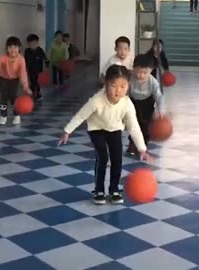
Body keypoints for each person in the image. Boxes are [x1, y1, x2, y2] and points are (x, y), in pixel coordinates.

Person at [58, 65, 151, 205]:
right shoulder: (97, 100)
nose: (118, 90)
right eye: (113, 86)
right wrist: (67, 131)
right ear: (106, 84)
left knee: (117, 159)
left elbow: (133, 126)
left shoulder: (127, 103)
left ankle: (114, 189)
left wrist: (142, 148)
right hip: (96, 129)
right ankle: (99, 190)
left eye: (122, 86)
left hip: (114, 129)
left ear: (128, 86)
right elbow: (80, 116)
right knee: (103, 157)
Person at [0, 36, 32, 125]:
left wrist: (26, 86)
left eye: (15, 47)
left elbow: (23, 73)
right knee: (3, 97)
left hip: (15, 80)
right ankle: (3, 116)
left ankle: (16, 115)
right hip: (3, 79)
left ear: (19, 48)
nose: (12, 50)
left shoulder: (21, 59)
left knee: (14, 97)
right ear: (6, 48)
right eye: (10, 47)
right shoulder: (1, 58)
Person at [127, 53, 166, 155]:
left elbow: (159, 97)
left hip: (147, 103)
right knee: (133, 123)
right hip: (133, 102)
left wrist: (160, 110)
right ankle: (132, 143)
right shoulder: (130, 79)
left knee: (145, 125)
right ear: (133, 68)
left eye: (145, 73)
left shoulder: (153, 82)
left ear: (151, 70)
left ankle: (143, 145)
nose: (141, 75)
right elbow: (125, 93)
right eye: (138, 72)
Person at [25, 34, 48, 101]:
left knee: (37, 82)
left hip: (39, 70)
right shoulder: (27, 51)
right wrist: (24, 68)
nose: (33, 45)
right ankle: (32, 93)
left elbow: (45, 58)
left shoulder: (40, 50)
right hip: (31, 70)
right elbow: (25, 60)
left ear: (37, 43)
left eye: (35, 43)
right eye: (31, 44)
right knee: (32, 82)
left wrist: (47, 65)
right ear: (28, 44)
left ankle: (38, 93)